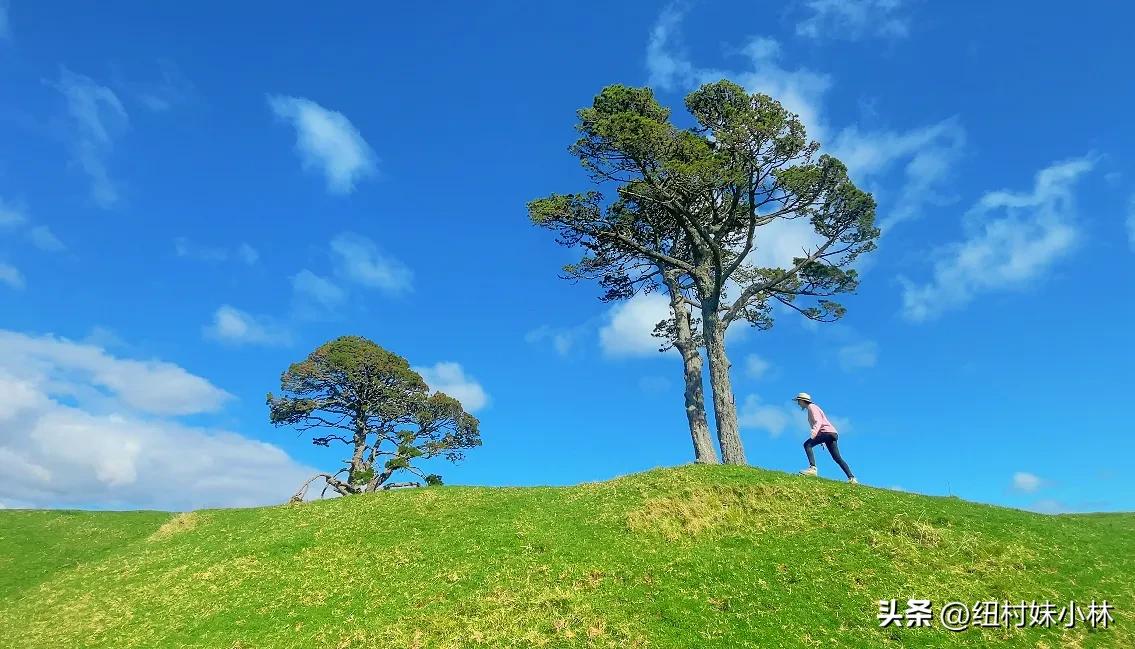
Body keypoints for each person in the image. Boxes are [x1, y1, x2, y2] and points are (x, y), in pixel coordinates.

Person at [795, 392, 857, 484]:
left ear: (802, 400)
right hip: (831, 434)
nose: (798, 403)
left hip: (827, 433)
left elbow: (818, 421)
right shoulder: (813, 407)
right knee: (837, 458)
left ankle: (813, 468)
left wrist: (814, 433)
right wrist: (821, 440)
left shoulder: (812, 407)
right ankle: (852, 478)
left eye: (798, 401)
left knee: (807, 444)